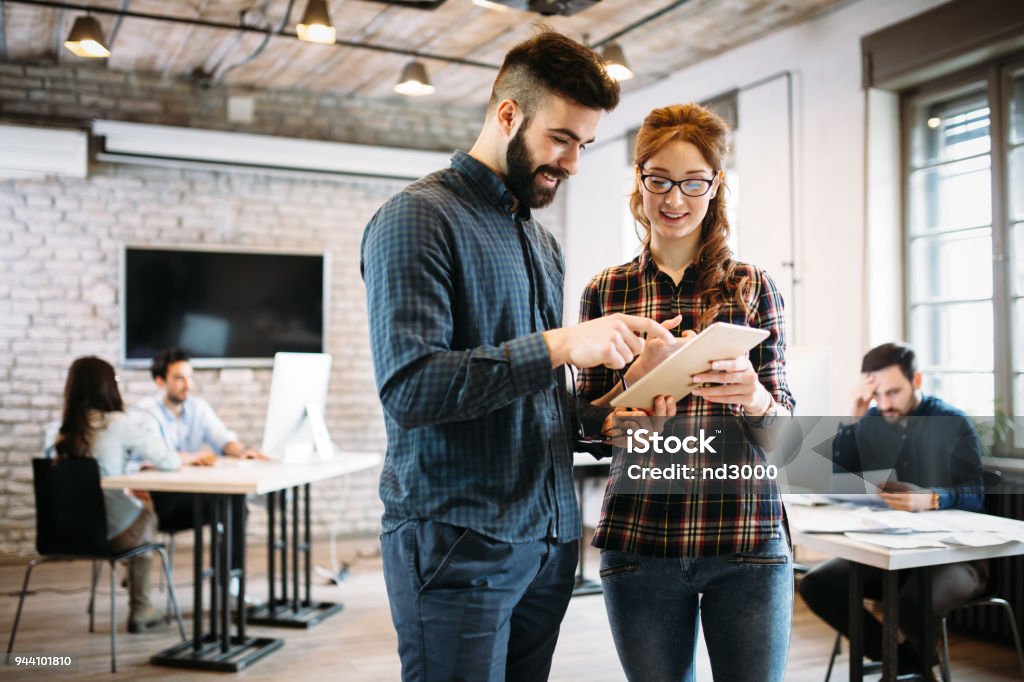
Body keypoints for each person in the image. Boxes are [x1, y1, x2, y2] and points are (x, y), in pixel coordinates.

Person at [361, 29, 677, 682]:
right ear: (508, 114)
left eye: (583, 145)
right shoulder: (416, 219)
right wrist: (561, 345)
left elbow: (533, 398)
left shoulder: (540, 242)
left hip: (547, 545)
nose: (573, 163)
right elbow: (411, 389)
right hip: (460, 543)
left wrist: (612, 413)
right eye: (561, 139)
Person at [576, 103, 796, 681]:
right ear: (640, 181)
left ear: (715, 185)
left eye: (693, 182)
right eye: (660, 181)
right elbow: (585, 421)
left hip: (745, 539)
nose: (675, 200)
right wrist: (619, 411)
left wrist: (753, 397)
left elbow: (788, 434)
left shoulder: (753, 286)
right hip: (641, 538)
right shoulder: (606, 290)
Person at [798, 342, 988, 674]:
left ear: (917, 380)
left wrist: (931, 498)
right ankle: (905, 665)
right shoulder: (873, 418)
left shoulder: (951, 421)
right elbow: (831, 476)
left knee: (913, 602)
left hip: (956, 556)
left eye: (894, 393)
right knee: (817, 584)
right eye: (877, 395)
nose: (885, 404)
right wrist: (855, 417)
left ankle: (907, 671)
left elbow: (976, 492)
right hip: (890, 550)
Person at [48, 356, 181, 633]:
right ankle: (140, 607)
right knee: (147, 511)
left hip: (63, 534)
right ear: (107, 387)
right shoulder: (117, 423)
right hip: (111, 534)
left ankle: (132, 574)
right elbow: (169, 460)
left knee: (135, 509)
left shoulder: (54, 433)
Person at [131, 347, 267, 593]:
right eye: (179, 378)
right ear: (160, 381)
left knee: (235, 504)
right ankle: (225, 584)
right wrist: (192, 457)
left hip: (189, 494)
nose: (188, 385)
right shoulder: (145, 412)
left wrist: (241, 450)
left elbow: (222, 437)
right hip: (158, 500)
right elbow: (156, 455)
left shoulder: (197, 407)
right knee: (227, 506)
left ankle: (226, 581)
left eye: (190, 377)